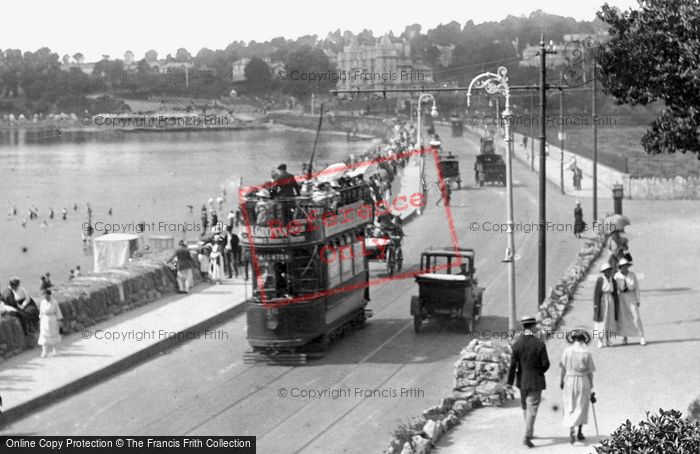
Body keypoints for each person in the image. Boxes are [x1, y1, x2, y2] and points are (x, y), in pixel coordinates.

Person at [507, 316, 550, 448]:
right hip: (535, 379)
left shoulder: (517, 345)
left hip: (521, 380)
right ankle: (527, 435)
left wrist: (509, 383)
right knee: (532, 408)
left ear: (524, 327)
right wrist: (539, 372)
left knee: (525, 407)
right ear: (533, 327)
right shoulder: (539, 344)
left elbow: (512, 366)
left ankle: (529, 432)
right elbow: (546, 364)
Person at [560, 329, 595, 444]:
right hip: (582, 379)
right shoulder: (586, 352)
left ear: (573, 339)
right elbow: (590, 371)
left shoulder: (567, 351)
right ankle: (579, 432)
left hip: (569, 379)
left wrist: (561, 380)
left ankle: (571, 430)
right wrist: (591, 385)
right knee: (581, 405)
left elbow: (563, 368)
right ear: (583, 340)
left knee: (569, 403)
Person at [614, 258, 647, 346]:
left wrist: (638, 300)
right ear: (620, 268)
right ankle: (624, 337)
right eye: (622, 267)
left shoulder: (632, 275)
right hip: (621, 297)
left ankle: (641, 336)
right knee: (623, 317)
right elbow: (614, 288)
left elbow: (637, 288)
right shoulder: (617, 276)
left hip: (631, 296)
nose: (624, 268)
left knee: (635, 316)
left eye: (626, 266)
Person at [593, 262, 619, 348]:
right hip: (602, 300)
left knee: (609, 320)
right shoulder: (600, 280)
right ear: (604, 272)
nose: (608, 272)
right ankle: (600, 340)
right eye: (606, 271)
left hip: (610, 299)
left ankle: (608, 339)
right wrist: (596, 305)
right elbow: (596, 293)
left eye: (609, 271)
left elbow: (615, 292)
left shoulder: (613, 280)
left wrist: (616, 304)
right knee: (602, 320)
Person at [38, 289, 63, 357]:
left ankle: (55, 350)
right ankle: (44, 352)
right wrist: (40, 319)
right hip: (44, 320)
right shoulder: (42, 302)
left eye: (47, 296)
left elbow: (58, 311)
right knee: (44, 335)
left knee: (54, 334)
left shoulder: (54, 302)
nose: (46, 297)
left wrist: (59, 320)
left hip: (52, 319)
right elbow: (41, 312)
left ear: (49, 295)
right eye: (44, 296)